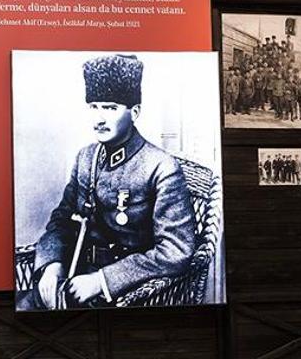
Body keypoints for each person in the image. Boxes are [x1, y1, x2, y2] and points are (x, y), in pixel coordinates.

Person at [24, 54, 196, 310]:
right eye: (94, 107)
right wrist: (51, 265)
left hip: (126, 292)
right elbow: (62, 220)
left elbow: (176, 250)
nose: (99, 118)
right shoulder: (86, 158)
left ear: (134, 112)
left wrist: (102, 281)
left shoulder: (161, 167)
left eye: (110, 108)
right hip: (72, 276)